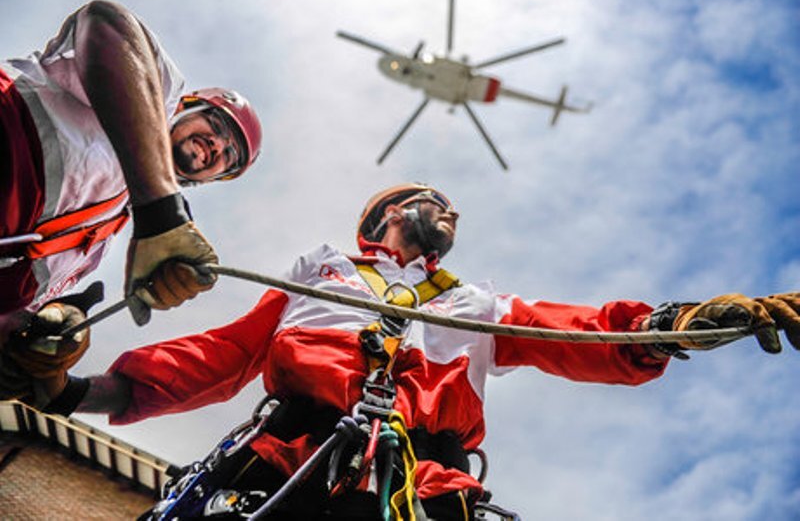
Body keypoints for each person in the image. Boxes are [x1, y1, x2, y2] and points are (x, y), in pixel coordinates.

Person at [6, 184, 799, 520]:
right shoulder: (321, 278)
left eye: (453, 211)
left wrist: (687, 320)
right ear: (383, 216)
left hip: (422, 482)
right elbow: (216, 358)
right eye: (429, 201)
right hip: (289, 457)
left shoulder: (474, 307)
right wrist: (72, 393)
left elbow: (584, 333)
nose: (447, 212)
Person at [0, 0, 263, 347]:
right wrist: (162, 210)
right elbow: (105, 20)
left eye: (229, 156)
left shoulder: (99, 244)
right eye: (215, 123)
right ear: (186, 106)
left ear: (211, 180)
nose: (217, 145)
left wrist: (32, 341)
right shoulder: (155, 90)